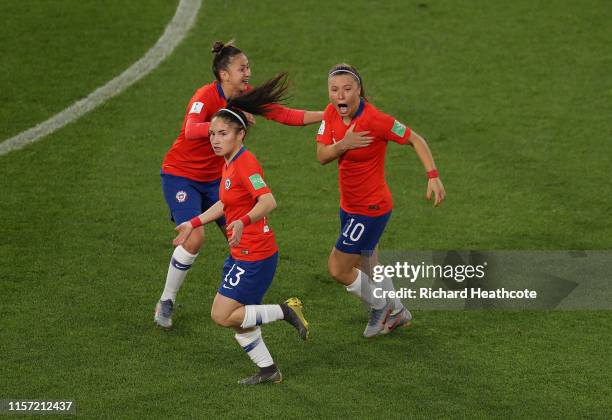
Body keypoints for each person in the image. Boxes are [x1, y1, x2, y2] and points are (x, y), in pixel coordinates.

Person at [155, 41, 323, 328]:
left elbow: (286, 115)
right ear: (224, 74)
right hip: (181, 175)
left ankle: (237, 301)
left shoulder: (245, 97)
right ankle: (167, 300)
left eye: (248, 67)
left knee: (241, 239)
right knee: (194, 238)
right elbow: (190, 129)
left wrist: (328, 115)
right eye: (241, 68)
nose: (248, 72)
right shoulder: (206, 96)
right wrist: (229, 120)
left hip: (218, 180)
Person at [172, 73, 309, 384]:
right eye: (212, 134)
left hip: (255, 256)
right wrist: (193, 222)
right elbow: (224, 203)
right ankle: (268, 370)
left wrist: (243, 220)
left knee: (221, 315)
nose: (215, 139)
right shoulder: (229, 163)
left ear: (240, 134)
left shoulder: (245, 163)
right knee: (239, 319)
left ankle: (286, 311)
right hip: (242, 253)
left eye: (222, 133)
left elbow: (268, 200)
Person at [315, 63, 446, 338]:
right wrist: (344, 144)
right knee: (367, 264)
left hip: (371, 208)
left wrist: (432, 175)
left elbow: (415, 139)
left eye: (347, 89)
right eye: (334, 89)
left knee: (338, 268)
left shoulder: (375, 120)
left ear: (359, 91)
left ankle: (380, 305)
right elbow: (322, 156)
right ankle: (398, 311)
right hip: (348, 206)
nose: (340, 95)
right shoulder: (330, 113)